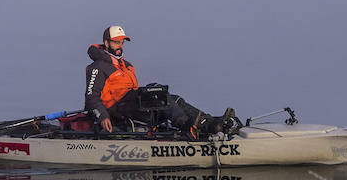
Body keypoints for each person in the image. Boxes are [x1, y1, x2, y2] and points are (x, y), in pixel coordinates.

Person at [84, 25, 236, 138]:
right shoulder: (98, 67)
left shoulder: (127, 66)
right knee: (156, 94)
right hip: (116, 109)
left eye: (122, 42)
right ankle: (187, 126)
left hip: (132, 104)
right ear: (106, 42)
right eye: (116, 42)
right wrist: (102, 116)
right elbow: (91, 97)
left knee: (169, 97)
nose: (120, 46)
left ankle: (211, 123)